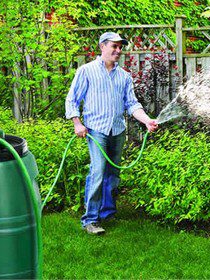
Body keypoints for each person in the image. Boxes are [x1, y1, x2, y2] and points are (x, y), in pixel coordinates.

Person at [65, 32, 158, 235]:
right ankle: (90, 219)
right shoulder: (87, 71)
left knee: (113, 174)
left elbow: (132, 104)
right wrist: (77, 123)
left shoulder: (124, 76)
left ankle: (107, 213)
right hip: (96, 130)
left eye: (120, 47)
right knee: (98, 172)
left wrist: (146, 120)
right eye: (114, 46)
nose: (118, 51)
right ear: (102, 47)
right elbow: (72, 99)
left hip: (117, 130)